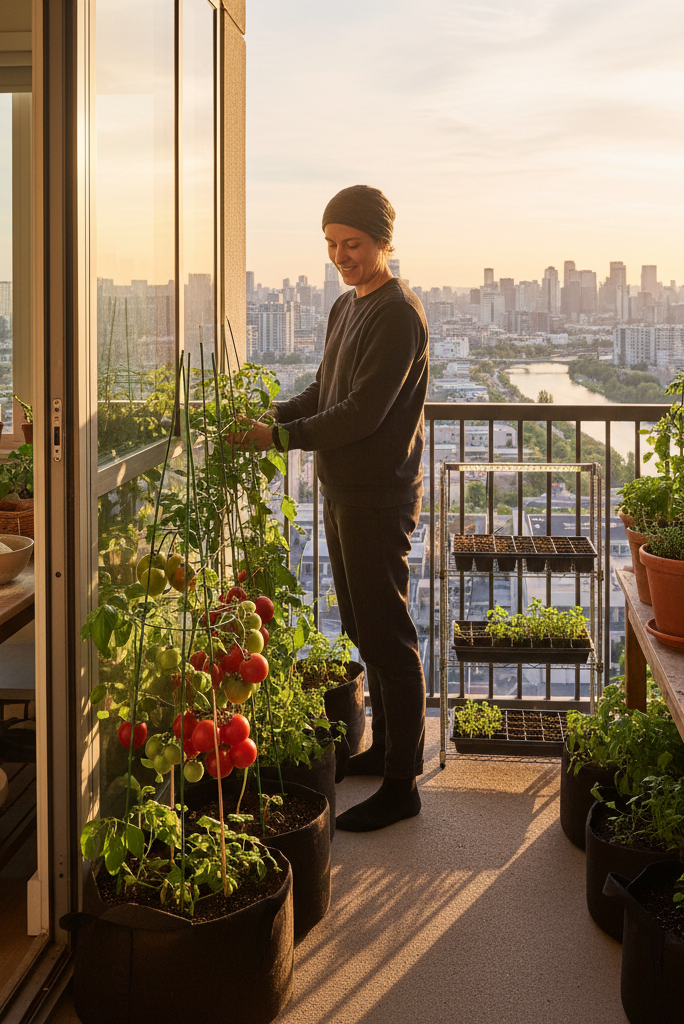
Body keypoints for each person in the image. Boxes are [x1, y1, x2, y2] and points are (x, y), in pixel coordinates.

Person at [231, 185, 429, 832]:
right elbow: (325, 388)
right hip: (345, 489)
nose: (342, 256)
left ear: (382, 243)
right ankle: (383, 750)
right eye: (333, 245)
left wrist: (279, 439)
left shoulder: (398, 313)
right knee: (363, 628)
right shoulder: (347, 306)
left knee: (388, 636)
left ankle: (404, 785)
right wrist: (273, 414)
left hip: (379, 495)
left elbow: (362, 412)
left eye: (354, 244)